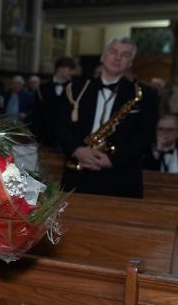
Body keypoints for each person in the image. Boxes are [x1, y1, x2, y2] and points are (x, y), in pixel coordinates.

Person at [58, 37, 158, 198]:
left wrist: (113, 160)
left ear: (130, 63)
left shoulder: (145, 95)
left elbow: (146, 136)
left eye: (125, 55)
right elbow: (59, 127)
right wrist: (77, 150)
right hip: (77, 176)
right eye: (113, 52)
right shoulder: (75, 89)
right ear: (103, 56)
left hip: (121, 179)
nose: (117, 58)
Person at [32, 56, 76, 147]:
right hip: (46, 139)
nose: (72, 73)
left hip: (67, 141)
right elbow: (37, 116)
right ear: (60, 68)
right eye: (70, 69)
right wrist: (37, 138)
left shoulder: (75, 89)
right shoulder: (42, 89)